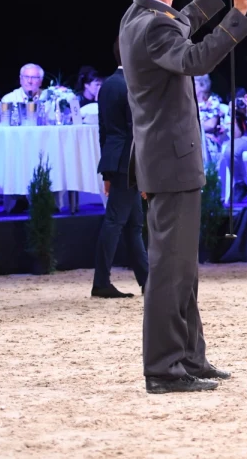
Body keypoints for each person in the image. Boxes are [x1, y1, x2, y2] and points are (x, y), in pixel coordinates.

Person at [119, 0, 247, 394]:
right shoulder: (153, 27)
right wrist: (237, 13)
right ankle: (163, 369)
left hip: (165, 162)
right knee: (169, 272)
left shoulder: (140, 15)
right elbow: (194, 57)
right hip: (171, 165)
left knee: (183, 270)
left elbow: (180, 23)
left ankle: (190, 358)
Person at [92, 39, 149, 299]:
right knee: (116, 221)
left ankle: (147, 281)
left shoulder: (107, 85)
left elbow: (104, 130)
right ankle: (101, 282)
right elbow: (137, 132)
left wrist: (107, 172)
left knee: (133, 224)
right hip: (129, 162)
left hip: (117, 160)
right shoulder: (131, 84)